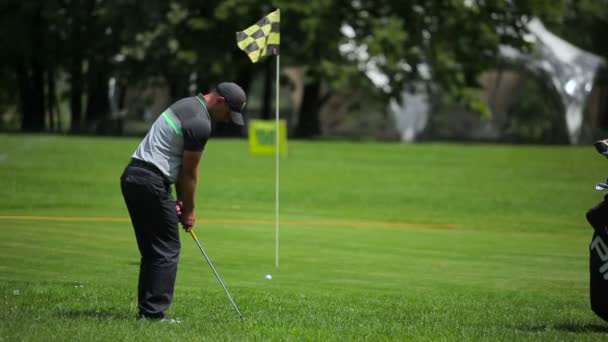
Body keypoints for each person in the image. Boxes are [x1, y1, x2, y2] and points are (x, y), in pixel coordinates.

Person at [120, 82, 247, 322]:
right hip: (151, 181)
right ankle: (153, 314)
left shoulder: (187, 105)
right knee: (166, 249)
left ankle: (148, 312)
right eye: (230, 113)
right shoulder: (200, 122)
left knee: (154, 249)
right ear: (220, 102)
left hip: (134, 177)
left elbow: (178, 167)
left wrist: (176, 199)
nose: (229, 119)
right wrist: (189, 210)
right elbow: (189, 173)